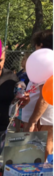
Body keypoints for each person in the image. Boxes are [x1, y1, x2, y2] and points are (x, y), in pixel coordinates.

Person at [23, 30, 54, 158]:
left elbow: (44, 98)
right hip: (41, 119)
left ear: (40, 45)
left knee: (42, 154)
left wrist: (32, 121)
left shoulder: (46, 62)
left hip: (43, 120)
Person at [15, 53, 30, 132]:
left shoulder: (30, 73)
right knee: (16, 113)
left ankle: (24, 131)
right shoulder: (20, 71)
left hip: (25, 95)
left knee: (23, 114)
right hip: (17, 94)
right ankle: (17, 130)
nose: (22, 61)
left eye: (24, 59)